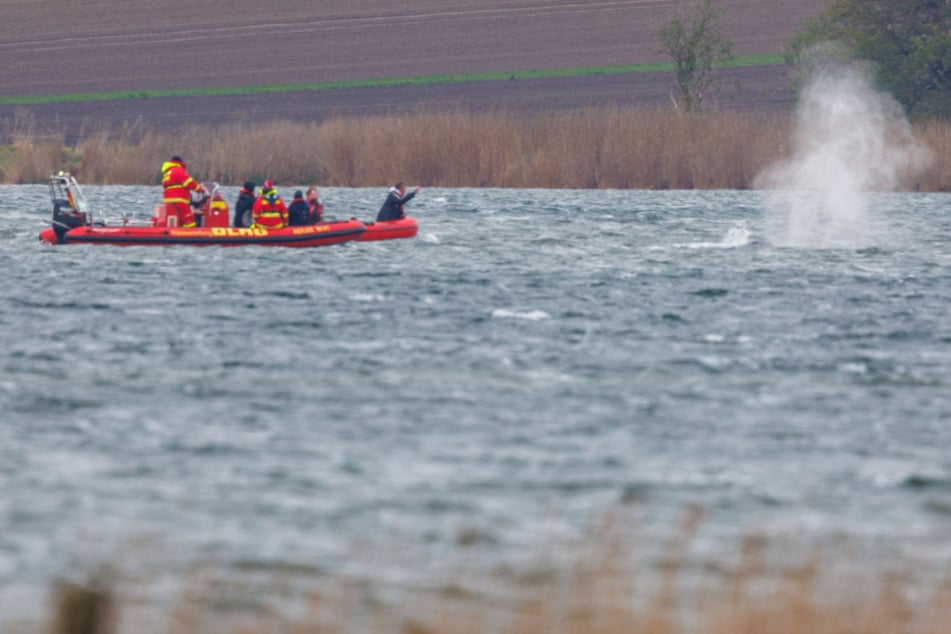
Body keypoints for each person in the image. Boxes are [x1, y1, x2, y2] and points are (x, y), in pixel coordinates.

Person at [161, 156, 205, 228]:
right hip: (178, 198)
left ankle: (181, 227)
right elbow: (189, 183)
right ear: (180, 162)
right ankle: (191, 230)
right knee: (187, 217)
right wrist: (200, 189)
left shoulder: (168, 173)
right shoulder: (178, 170)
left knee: (180, 215)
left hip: (168, 199)